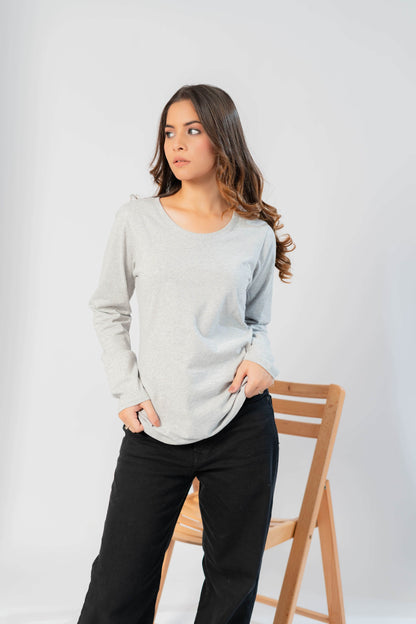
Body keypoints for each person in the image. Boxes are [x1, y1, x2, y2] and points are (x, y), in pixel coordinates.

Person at [77, 83, 295, 624]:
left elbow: (256, 322)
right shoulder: (137, 221)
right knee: (117, 583)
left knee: (231, 584)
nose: (176, 143)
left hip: (240, 423)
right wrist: (127, 392)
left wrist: (262, 359)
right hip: (155, 426)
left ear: (223, 138)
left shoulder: (255, 234)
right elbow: (108, 309)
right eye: (169, 132)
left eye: (193, 130)